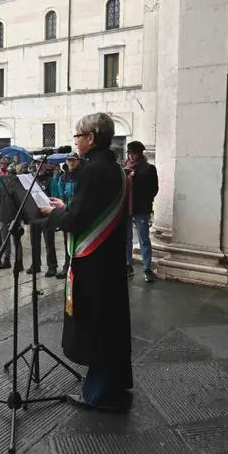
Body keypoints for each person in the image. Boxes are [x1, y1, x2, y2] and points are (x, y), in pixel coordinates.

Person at [39, 112, 132, 413]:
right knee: (112, 323)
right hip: (109, 259)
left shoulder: (92, 171)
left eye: (78, 135)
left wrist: (52, 214)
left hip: (94, 264)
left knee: (97, 325)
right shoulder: (113, 167)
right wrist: (67, 206)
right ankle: (114, 384)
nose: (75, 141)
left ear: (91, 137)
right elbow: (89, 208)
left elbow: (78, 219)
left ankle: (98, 394)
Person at [124, 141, 159, 282]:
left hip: (141, 209)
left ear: (140, 154)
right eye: (130, 153)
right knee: (126, 239)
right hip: (126, 208)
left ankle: (147, 268)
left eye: (134, 153)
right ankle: (127, 265)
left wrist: (145, 200)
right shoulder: (124, 168)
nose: (131, 156)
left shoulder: (149, 168)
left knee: (144, 239)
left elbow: (154, 189)